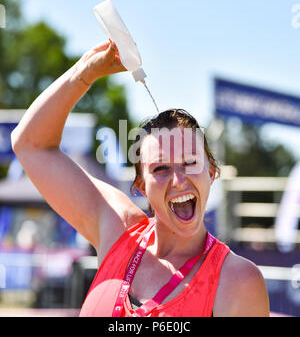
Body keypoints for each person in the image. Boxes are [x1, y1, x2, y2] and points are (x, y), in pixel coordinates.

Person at [11, 40, 270, 317]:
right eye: (160, 169)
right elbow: (29, 144)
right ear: (141, 188)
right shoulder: (118, 232)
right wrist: (84, 73)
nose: (178, 179)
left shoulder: (237, 280)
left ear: (211, 173)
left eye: (190, 162)